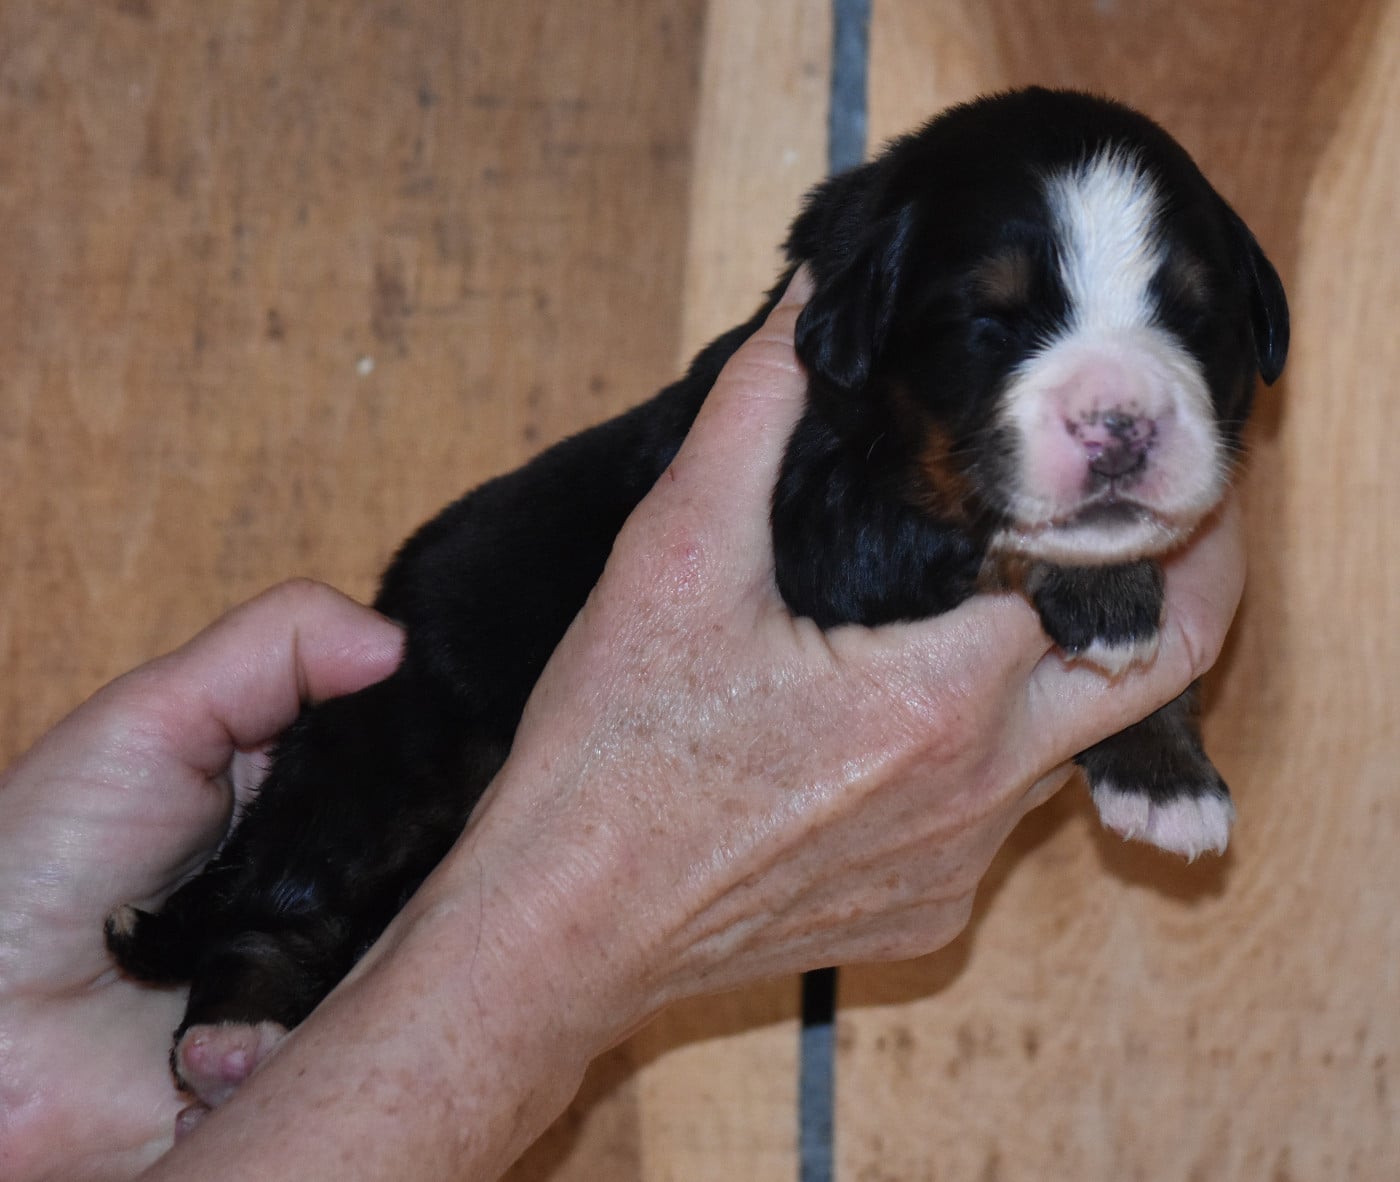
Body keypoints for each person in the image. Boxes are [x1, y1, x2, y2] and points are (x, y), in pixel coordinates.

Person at [0, 273, 1245, 1181]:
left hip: (63, 1045)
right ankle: (259, 968)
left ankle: (262, 980)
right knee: (353, 820)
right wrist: (570, 942)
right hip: (466, 667)